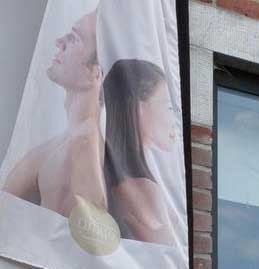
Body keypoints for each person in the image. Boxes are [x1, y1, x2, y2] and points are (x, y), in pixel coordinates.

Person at [1, 9, 108, 217]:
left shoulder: (79, 150)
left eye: (74, 38)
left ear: (96, 73)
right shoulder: (69, 143)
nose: (59, 42)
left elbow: (60, 236)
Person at [103, 58, 176, 244]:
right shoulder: (145, 191)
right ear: (138, 107)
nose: (173, 120)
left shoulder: (99, 173)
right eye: (169, 107)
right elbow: (167, 257)